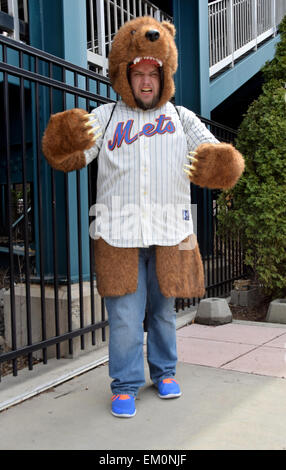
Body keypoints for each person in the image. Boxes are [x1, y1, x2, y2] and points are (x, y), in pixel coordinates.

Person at [42, 17, 244, 418]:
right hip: (118, 235)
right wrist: (64, 139)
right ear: (124, 74)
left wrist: (218, 164)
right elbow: (71, 155)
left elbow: (215, 153)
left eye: (154, 73)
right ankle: (125, 384)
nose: (147, 81)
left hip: (170, 233)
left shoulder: (183, 118)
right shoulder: (105, 117)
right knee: (124, 318)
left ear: (164, 74)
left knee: (164, 313)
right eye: (139, 73)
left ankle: (165, 371)